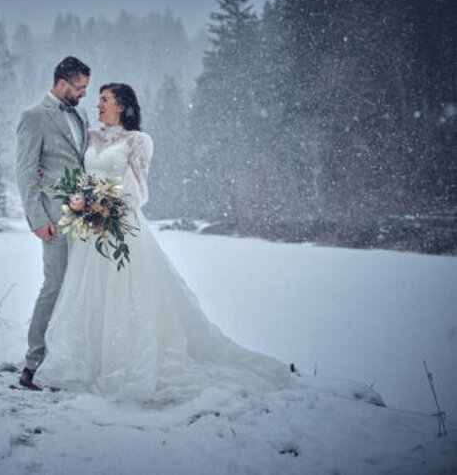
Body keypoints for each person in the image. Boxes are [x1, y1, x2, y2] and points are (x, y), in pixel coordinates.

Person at [36, 83, 291, 401]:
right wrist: (68, 189)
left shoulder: (139, 141)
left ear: (122, 106)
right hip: (90, 232)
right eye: (99, 99)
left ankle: (126, 361)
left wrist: (104, 200)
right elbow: (72, 168)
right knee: (88, 295)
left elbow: (141, 193)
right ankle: (87, 362)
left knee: (126, 296)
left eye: (105, 100)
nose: (98, 105)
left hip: (121, 227)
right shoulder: (90, 136)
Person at [15, 56, 90, 390]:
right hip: (54, 220)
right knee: (54, 286)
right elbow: (25, 171)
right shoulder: (34, 117)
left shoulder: (83, 115)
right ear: (63, 83)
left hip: (87, 219)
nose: (84, 94)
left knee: (80, 288)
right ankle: (33, 363)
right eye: (80, 87)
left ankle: (69, 359)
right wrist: (38, 219)